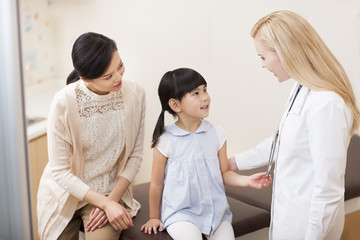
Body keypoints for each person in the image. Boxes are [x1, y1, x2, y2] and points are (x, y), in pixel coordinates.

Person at [228, 10, 360, 240]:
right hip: (287, 218)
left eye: (262, 56)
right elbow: (281, 141)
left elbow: (329, 189)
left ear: (285, 52)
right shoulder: (300, 88)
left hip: (308, 227)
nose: (262, 64)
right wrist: (233, 162)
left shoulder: (326, 104)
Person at [37, 32, 146, 240]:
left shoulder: (135, 94)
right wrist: (105, 204)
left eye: (120, 66)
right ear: (85, 78)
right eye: (108, 76)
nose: (119, 77)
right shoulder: (63, 102)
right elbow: (60, 171)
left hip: (109, 190)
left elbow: (135, 156)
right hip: (64, 192)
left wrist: (110, 201)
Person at [140, 68, 271, 240]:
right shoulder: (165, 141)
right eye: (196, 93)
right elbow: (156, 184)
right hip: (181, 214)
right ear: (175, 105)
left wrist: (247, 180)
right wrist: (154, 217)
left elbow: (224, 173)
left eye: (205, 90)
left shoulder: (217, 134)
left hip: (216, 212)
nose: (205, 97)